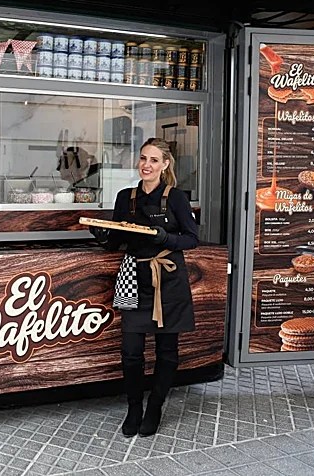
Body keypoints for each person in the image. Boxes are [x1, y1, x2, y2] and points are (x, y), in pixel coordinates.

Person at [89, 137, 198, 437]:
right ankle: (134, 407)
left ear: (165, 164)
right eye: (143, 158)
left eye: (153, 160)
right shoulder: (126, 197)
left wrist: (165, 238)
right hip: (134, 279)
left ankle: (155, 408)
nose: (146, 165)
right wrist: (101, 234)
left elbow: (192, 239)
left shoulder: (176, 198)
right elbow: (116, 241)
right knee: (131, 352)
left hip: (168, 280)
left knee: (167, 351)